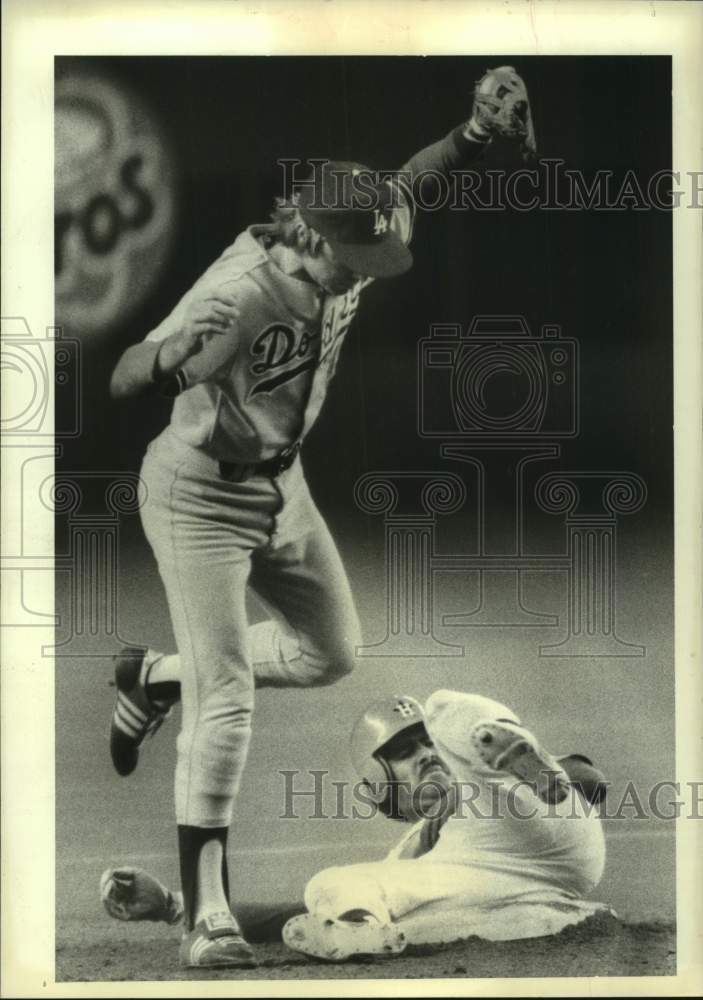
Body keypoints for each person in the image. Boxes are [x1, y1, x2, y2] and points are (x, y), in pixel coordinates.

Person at [107, 67, 536, 969]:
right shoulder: (237, 294)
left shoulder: (347, 237)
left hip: (282, 488)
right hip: (198, 496)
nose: (370, 268)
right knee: (226, 702)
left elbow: (411, 183)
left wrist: (472, 133)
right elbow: (124, 372)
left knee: (330, 653)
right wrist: (163, 357)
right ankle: (205, 919)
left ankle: (154, 678)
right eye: (361, 253)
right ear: (316, 235)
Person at [101, 689, 609, 962]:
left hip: (540, 835)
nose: (426, 755)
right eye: (405, 752)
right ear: (380, 782)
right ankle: (358, 931)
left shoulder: (482, 785)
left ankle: (496, 738)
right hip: (495, 885)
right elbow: (290, 914)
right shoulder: (411, 847)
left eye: (427, 744)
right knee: (332, 884)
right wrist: (173, 906)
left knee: (443, 706)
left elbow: (589, 781)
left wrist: (549, 776)